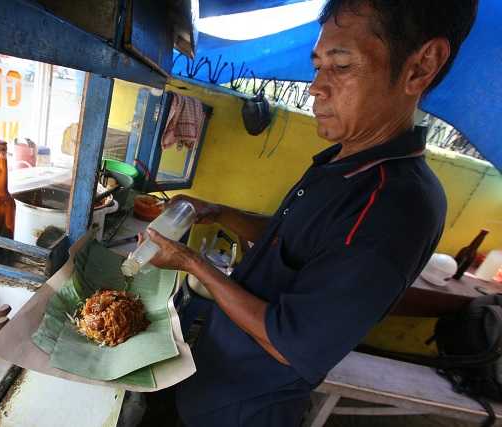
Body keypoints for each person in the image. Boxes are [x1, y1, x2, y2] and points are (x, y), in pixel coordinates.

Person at [141, 1, 479, 426]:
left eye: (340, 66)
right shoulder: (344, 163)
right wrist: (218, 211)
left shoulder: (394, 204)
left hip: (246, 408)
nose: (316, 87)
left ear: (420, 67)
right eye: (318, 66)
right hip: (212, 376)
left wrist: (189, 262)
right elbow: (291, 239)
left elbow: (290, 343)